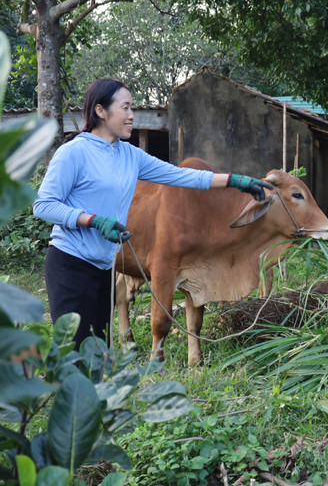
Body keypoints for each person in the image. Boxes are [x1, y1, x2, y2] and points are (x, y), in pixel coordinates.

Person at [33, 79, 272, 346]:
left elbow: (183, 176)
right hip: (71, 264)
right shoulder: (73, 152)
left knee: (96, 356)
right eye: (125, 108)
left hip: (104, 267)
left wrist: (236, 181)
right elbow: (43, 205)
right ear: (101, 111)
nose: (131, 115)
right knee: (73, 353)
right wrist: (93, 220)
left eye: (132, 107)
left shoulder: (130, 156)